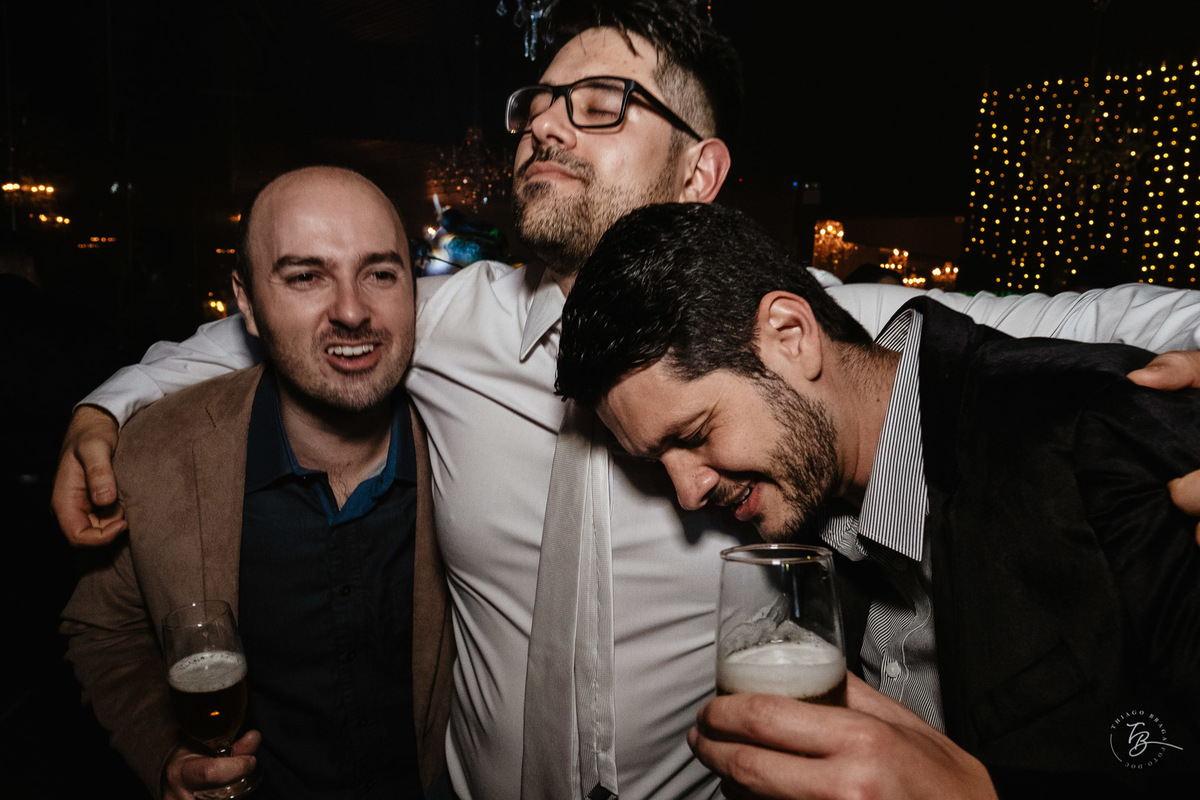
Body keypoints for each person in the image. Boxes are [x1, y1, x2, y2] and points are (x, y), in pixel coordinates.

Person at [49, 2, 1200, 797]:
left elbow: (1083, 324)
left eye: (601, 104)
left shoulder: (791, 324)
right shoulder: (449, 318)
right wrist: (105, 410)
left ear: (700, 173)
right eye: (540, 102)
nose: (545, 122)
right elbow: (265, 325)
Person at [556, 201, 1200, 797]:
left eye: (695, 435)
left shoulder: (1099, 437)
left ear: (791, 336)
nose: (688, 493)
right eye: (656, 464)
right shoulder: (806, 515)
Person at [59, 167, 454, 800]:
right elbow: (105, 631)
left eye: (380, 273)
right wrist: (163, 749)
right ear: (245, 300)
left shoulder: (470, 439)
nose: (352, 311)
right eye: (305, 277)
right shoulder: (157, 455)